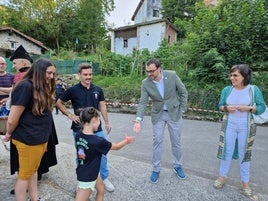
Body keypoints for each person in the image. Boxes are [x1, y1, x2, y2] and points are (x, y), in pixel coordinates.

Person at [56, 62, 115, 192]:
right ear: (79, 75)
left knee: (102, 154)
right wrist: (70, 115)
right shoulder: (72, 90)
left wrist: (106, 122)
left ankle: (104, 178)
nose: (88, 77)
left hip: (96, 129)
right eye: (85, 74)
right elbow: (59, 102)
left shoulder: (98, 90)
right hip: (79, 129)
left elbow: (102, 106)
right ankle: (82, 181)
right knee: (81, 155)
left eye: (90, 74)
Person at [3, 58, 56, 201]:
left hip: (39, 139)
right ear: (39, 71)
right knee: (24, 176)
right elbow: (13, 118)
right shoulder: (25, 87)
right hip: (28, 140)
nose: (51, 77)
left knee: (33, 171)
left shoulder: (40, 86)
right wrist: (8, 133)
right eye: (49, 73)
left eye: (53, 74)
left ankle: (35, 199)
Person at [214, 64, 265, 201]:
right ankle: (221, 177)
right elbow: (220, 106)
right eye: (231, 75)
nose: (232, 78)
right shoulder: (227, 90)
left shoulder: (253, 90)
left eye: (235, 75)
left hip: (246, 127)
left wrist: (248, 108)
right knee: (227, 151)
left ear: (244, 76)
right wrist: (226, 107)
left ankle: (245, 183)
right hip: (229, 125)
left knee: (244, 153)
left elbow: (261, 107)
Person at [133, 58, 188, 183]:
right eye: (147, 71)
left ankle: (177, 166)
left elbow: (183, 92)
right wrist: (138, 119)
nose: (149, 74)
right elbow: (143, 102)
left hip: (174, 113)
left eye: (152, 71)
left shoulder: (172, 75)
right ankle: (156, 169)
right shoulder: (146, 83)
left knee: (176, 141)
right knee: (157, 141)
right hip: (158, 114)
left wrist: (182, 110)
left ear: (159, 68)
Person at [75, 107, 135, 201]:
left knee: (101, 189)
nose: (99, 122)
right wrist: (127, 141)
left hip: (87, 170)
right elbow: (117, 147)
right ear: (94, 120)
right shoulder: (98, 142)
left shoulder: (78, 134)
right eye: (99, 120)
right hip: (87, 177)